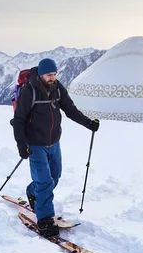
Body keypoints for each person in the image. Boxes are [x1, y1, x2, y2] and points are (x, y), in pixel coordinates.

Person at [12, 58, 100, 237]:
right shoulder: (30, 91)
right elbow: (19, 120)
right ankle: (45, 221)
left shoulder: (58, 88)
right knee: (44, 182)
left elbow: (70, 109)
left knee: (54, 177)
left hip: (54, 142)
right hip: (35, 144)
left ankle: (32, 192)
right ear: (41, 74)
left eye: (54, 74)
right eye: (49, 75)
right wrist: (22, 145)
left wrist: (88, 123)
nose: (52, 78)